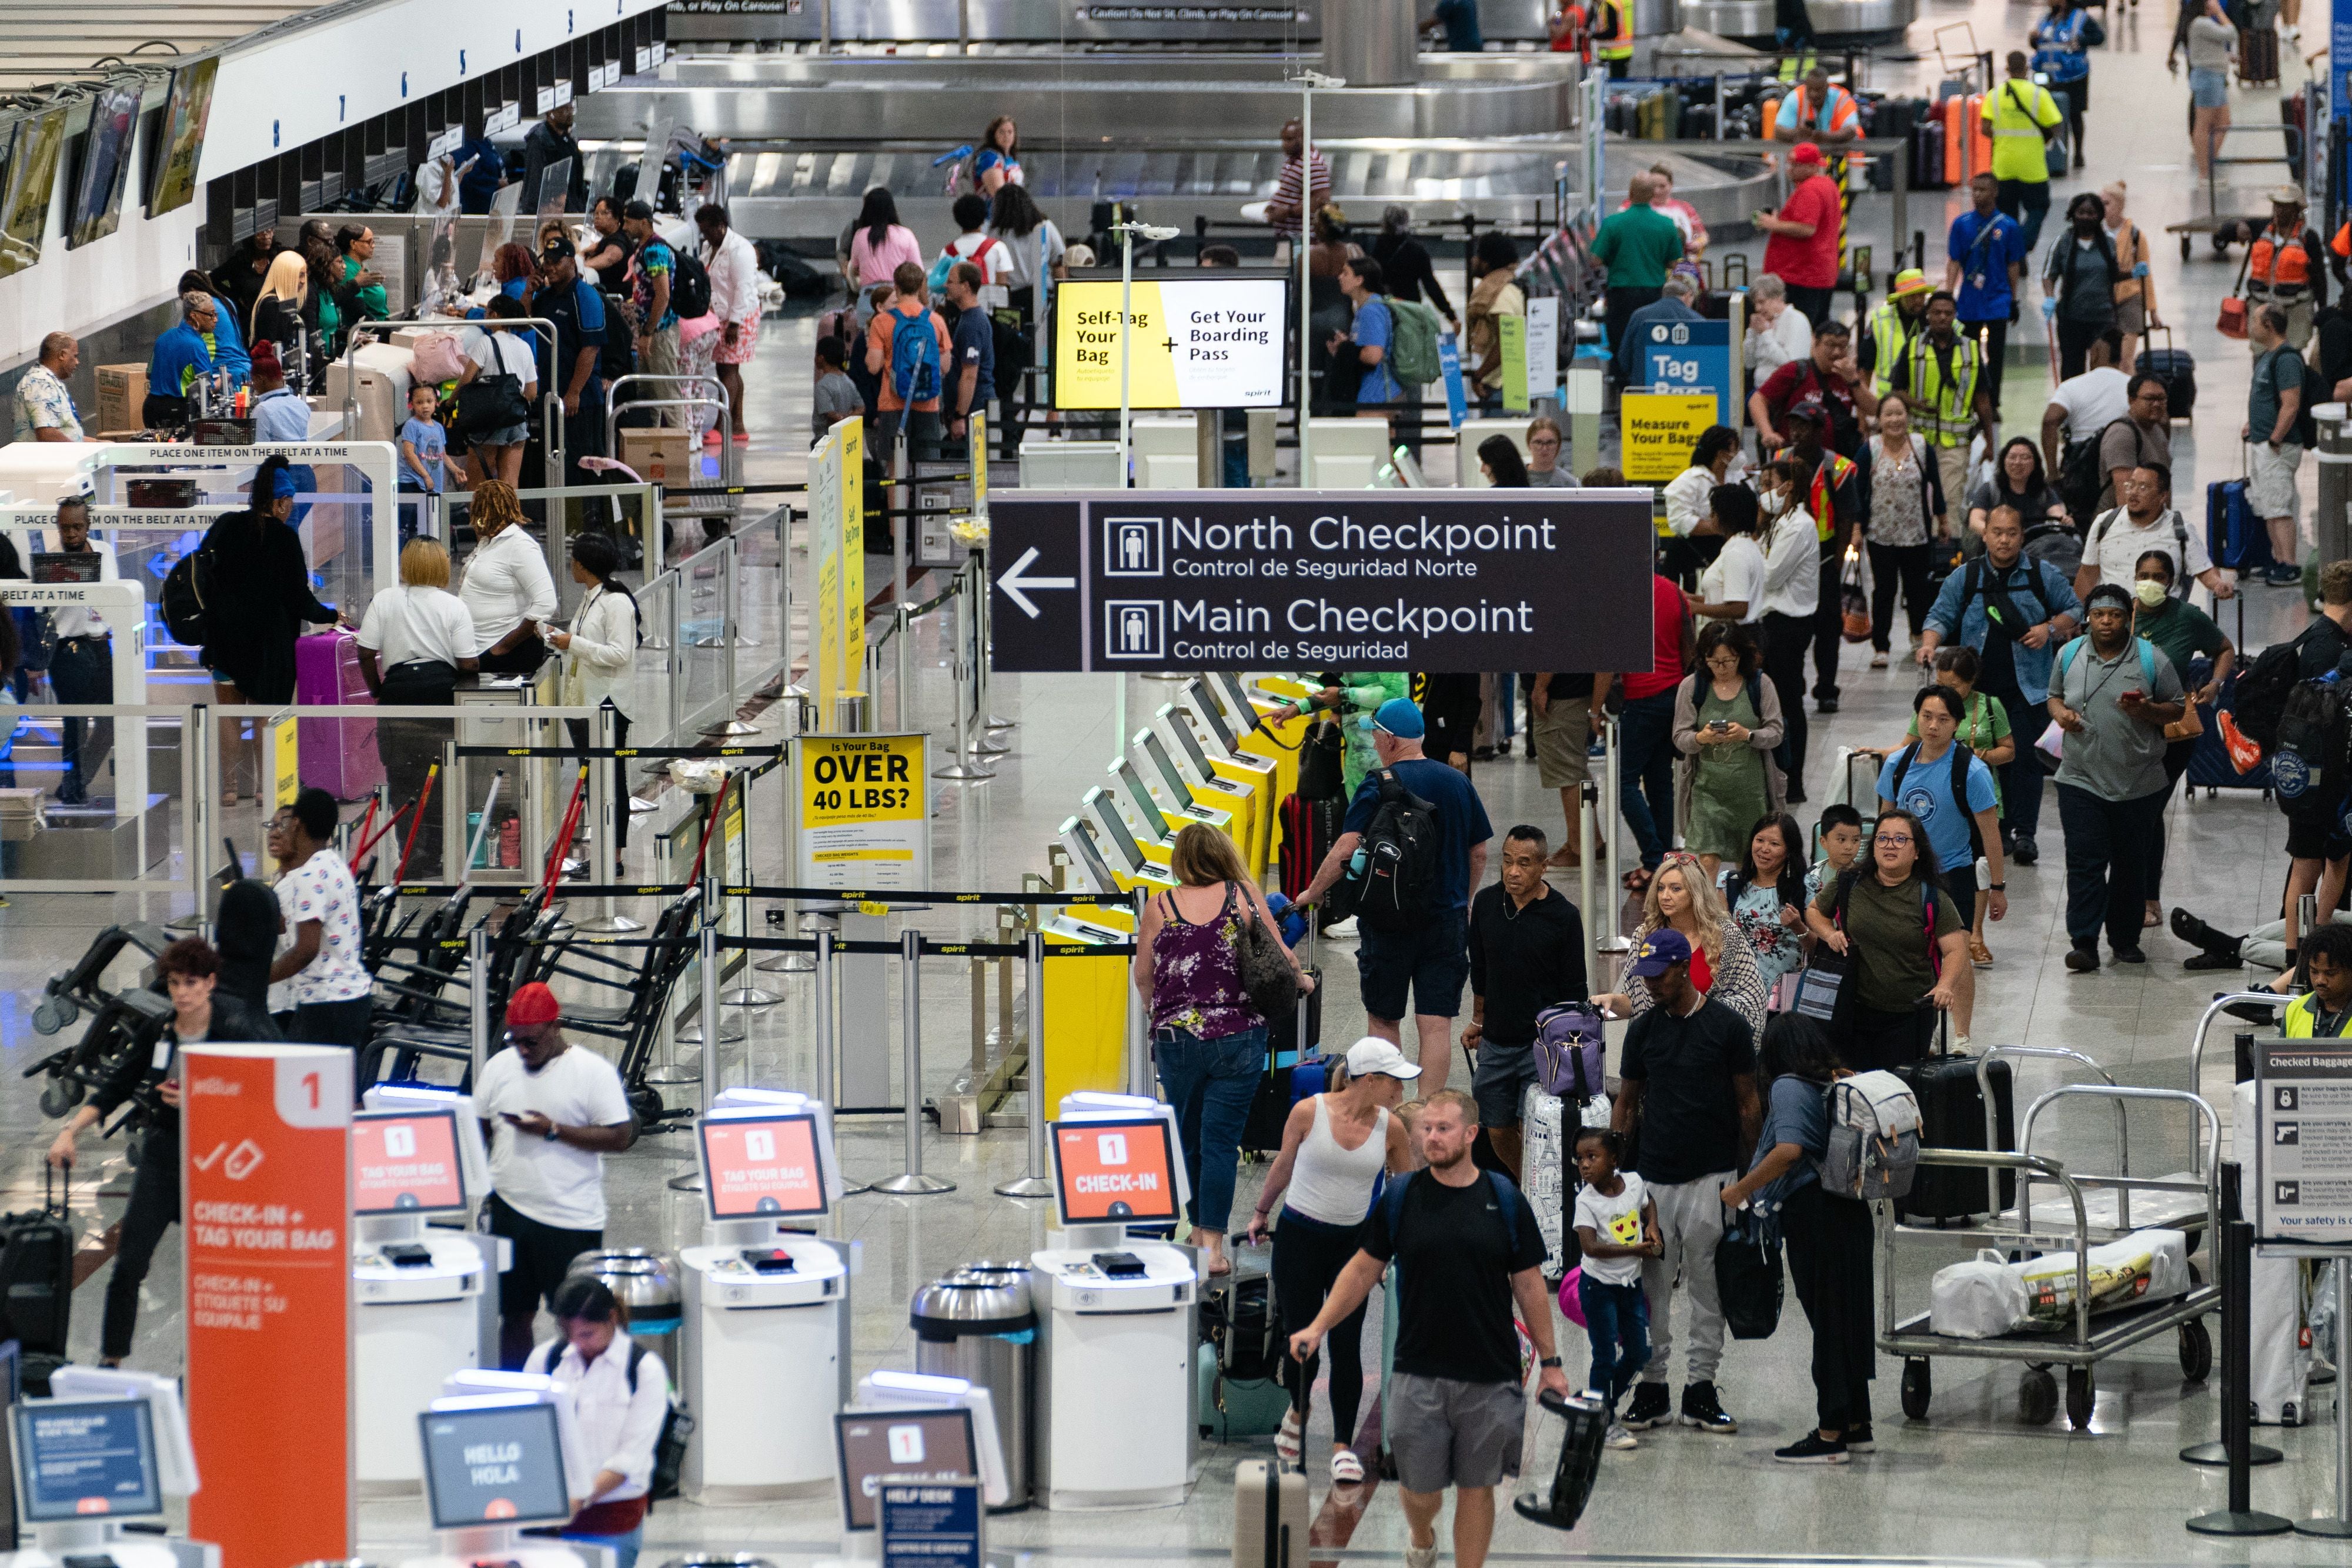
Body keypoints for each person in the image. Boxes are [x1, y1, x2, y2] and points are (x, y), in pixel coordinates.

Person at [1287, 1090, 1566, 1568]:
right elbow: (1358, 1271)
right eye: (1427, 1128)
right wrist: (1317, 1326)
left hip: (1490, 1371)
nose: (1432, 1137)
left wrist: (1553, 1362)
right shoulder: (1400, 1199)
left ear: (1472, 1133)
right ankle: (1421, 1534)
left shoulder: (1504, 1199)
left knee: (1479, 1488)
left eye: (1444, 1128)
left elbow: (1530, 1286)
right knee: (1421, 1491)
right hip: (1417, 1372)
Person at [47, 937, 277, 1367]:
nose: (182, 993)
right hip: (165, 1154)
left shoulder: (237, 1031)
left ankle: (220, 1357)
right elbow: (116, 1086)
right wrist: (70, 1130)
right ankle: (111, 1358)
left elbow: (262, 1098)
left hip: (220, 1160)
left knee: (222, 1270)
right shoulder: (161, 1030)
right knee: (130, 1262)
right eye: (174, 983)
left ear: (210, 983)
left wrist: (202, 1099)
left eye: (191, 983)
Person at [1602, 926, 1759, 1435]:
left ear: (1682, 969)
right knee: (1650, 1288)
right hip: (1651, 1181)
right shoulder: (1644, 1030)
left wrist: (1750, 1177)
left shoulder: (1728, 1027)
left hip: (1713, 1178)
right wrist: (1615, 1170)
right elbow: (1626, 1100)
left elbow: (1748, 1104)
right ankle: (1652, 1387)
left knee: (1707, 1285)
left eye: (1657, 974)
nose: (1648, 984)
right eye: (1642, 974)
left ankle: (1701, 1388)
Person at [1136, 823, 1307, 1275]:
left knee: (1189, 1137)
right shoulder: (1243, 895)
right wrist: (1302, 980)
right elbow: (1282, 957)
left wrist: (1163, 1015)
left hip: (1176, 1041)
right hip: (1237, 1037)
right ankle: (1211, 1244)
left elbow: (1143, 974)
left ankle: (1196, 1231)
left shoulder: (1160, 904)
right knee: (1220, 1142)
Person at [1299, 699, 1494, 1091]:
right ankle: (1426, 1118)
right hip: (1446, 921)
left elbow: (1346, 849)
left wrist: (1313, 892)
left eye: (1375, 735)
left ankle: (1390, 1114)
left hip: (1387, 922)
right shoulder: (1458, 782)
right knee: (1436, 1025)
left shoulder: (1379, 784)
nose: (1373, 741)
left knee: (1384, 1019)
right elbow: (1480, 851)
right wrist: (1465, 898)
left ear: (1389, 739)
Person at [1247, 1036, 1415, 1479]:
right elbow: (1283, 1166)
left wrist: (1401, 1244)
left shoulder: (1391, 1129)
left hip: (1352, 1249)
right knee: (1302, 1341)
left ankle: (1343, 1444)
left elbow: (1405, 1192)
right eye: (1395, 1081)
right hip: (1299, 1240)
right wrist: (1262, 1211)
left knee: (1346, 1344)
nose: (1402, 1091)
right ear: (1372, 1079)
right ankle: (1299, 1409)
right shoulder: (1309, 1113)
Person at [1718, 1014, 1875, 1463]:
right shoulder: (1836, 1081)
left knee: (1826, 1321)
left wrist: (1741, 1189)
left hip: (1815, 1214)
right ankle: (1857, 1423)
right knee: (1847, 1317)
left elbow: (1790, 1150)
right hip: (1851, 1210)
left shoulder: (1788, 1086)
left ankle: (1829, 1433)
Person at [474, 980, 639, 1368]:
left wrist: (553, 1130)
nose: (522, 1049)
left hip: (569, 1218)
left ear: (555, 1026)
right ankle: (519, 1395)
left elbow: (619, 1135)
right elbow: (479, 1124)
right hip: (510, 1211)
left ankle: (581, 1394)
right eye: (516, 1040)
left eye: (531, 1041)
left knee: (579, 1321)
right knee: (514, 1315)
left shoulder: (592, 1072)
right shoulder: (500, 1066)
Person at [1917, 506, 2082, 864]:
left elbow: (2074, 608)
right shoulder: (1967, 576)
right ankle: (1996, 830)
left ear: (2022, 536)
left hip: (2029, 689)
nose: (2004, 540)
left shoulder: (2042, 574)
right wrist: (1930, 643)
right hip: (1975, 693)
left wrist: (2048, 629)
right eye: (1997, 533)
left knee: (2024, 759)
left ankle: (2025, 834)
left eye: (2012, 533)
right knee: (1982, 760)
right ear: (1986, 535)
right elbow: (1940, 614)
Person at [2049, 583, 2187, 971]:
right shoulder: (2069, 653)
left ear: (2128, 618)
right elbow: (2054, 695)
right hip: (2080, 779)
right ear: (2088, 618)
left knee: (2131, 864)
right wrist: (2060, 713)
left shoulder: (2151, 659)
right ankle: (2085, 943)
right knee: (2085, 861)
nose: (2106, 621)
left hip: (2138, 783)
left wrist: (2146, 710)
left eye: (2114, 615)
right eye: (2098, 614)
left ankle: (2125, 940)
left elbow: (2177, 709)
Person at [199, 456, 340, 800]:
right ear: (279, 502)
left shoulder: (225, 527)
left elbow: (202, 576)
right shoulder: (285, 540)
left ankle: (229, 791)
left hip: (225, 642)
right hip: (270, 649)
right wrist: (331, 616)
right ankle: (265, 791)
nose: (291, 509)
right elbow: (299, 599)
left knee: (229, 717)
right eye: (290, 502)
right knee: (264, 717)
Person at [1875, 687, 2003, 1042]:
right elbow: (1885, 823)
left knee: (1957, 955)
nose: (1933, 726)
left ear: (1957, 724)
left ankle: (1961, 1036)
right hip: (1906, 876)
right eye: (1927, 716)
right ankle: (1921, 1031)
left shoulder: (1972, 772)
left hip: (1953, 875)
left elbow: (1991, 835)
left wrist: (1998, 887)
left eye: (1943, 719)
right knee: (1912, 955)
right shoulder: (1897, 764)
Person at [1464, 825, 1588, 1176]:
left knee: (1533, 1125)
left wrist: (1569, 1049)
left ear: (1544, 866)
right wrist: (1478, 1021)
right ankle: (1526, 1184)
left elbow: (1575, 989)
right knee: (1497, 1125)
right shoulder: (1487, 904)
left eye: (1524, 863)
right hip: (1496, 1044)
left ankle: (1541, 1193)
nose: (1513, 871)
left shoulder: (1563, 917)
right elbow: (1481, 970)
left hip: (1541, 1047)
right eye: (1507, 861)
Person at [1804, 806, 1967, 1068]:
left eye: (1901, 839)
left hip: (1909, 1016)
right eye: (1882, 838)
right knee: (1855, 1089)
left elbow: (1956, 949)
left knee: (1896, 1095)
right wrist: (1829, 933)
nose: (1890, 846)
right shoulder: (1851, 881)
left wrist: (1946, 985)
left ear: (1916, 852)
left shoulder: (1932, 897)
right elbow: (1814, 911)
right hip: (1852, 1010)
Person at [523, 1276, 669, 1568]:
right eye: (569, 1333)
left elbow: (630, 1457)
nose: (577, 1344)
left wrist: (579, 1500)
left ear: (612, 1319)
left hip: (613, 1517)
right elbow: (528, 1432)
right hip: (552, 1517)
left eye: (587, 1334)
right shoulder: (546, 1359)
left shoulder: (644, 1370)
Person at [356, 538, 477, 878]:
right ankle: (435, 852)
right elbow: (469, 663)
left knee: (401, 778)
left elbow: (365, 652)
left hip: (397, 696)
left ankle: (409, 852)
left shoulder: (385, 600)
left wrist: (378, 689)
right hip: (440, 696)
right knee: (440, 776)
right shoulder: (454, 606)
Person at [2130, 550, 2232, 921]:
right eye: (2144, 575)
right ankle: (2128, 887)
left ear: (2172, 582)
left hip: (2173, 731)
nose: (2151, 582)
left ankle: (2147, 896)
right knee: (2129, 810)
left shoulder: (2186, 616)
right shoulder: (2121, 616)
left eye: (2159, 576)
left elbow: (2224, 649)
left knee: (2151, 808)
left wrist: (2216, 683)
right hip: (2127, 730)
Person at [1906, 647, 2015, 967]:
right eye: (1942, 682)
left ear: (1971, 682)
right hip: (1941, 798)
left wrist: (1983, 757)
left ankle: (1975, 935)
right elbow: (1908, 746)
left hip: (1979, 796)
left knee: (1978, 868)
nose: (1946, 691)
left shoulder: (1990, 706)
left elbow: (2008, 750)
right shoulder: (1930, 707)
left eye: (1954, 685)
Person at [1596, 851, 1772, 1039]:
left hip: (1713, 1047)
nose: (1665, 896)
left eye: (1676, 889)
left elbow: (1752, 1000)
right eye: (1661, 888)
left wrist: (1699, 1013)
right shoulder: (1644, 935)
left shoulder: (1727, 935)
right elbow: (1636, 1002)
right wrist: (1612, 1000)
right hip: (1661, 1047)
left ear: (1696, 893)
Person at [1673, 621, 1789, 882]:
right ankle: (1704, 918)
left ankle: (1745, 917)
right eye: (1714, 662)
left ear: (1741, 656)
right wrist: (1701, 738)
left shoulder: (1761, 684)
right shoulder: (1692, 687)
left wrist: (1748, 735)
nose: (1722, 668)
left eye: (1729, 661)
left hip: (1751, 792)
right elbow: (1680, 738)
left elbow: (1776, 731)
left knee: (1751, 862)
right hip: (1706, 791)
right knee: (1705, 860)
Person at [1571, 1128, 1662, 1450]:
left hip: (1630, 1286)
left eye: (1592, 1157)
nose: (1584, 1164)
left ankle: (1595, 1401)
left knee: (1640, 1351)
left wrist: (1651, 1225)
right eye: (1579, 1158)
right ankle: (1603, 1421)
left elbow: (1648, 1201)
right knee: (1605, 1355)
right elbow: (1591, 1248)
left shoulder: (1634, 1182)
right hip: (1598, 1288)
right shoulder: (1586, 1201)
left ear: (1613, 1160)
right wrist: (1637, 1250)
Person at [552, 533, 641, 848]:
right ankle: (601, 850)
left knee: (611, 780)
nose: (570, 565)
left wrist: (572, 643)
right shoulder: (591, 597)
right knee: (591, 779)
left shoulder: (616, 602)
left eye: (573, 560)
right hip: (583, 699)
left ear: (582, 565)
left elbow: (620, 654)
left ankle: (613, 854)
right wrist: (559, 640)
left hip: (607, 704)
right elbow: (585, 644)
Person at [266, 788, 373, 1048]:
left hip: (326, 1004)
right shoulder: (335, 865)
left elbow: (306, 950)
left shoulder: (309, 877)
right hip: (351, 998)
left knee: (291, 1081)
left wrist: (257, 978)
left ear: (297, 824)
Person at [1783, 400, 1862, 726]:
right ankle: (1793, 682)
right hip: (1788, 556)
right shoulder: (1780, 461)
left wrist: (1836, 562)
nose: (1796, 432)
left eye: (1803, 426)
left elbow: (1846, 516)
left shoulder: (1838, 468)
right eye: (1793, 426)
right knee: (1790, 625)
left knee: (1827, 627)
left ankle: (1827, 689)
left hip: (1824, 555)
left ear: (1819, 431)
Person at [1620, 567, 1697, 894]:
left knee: (1623, 782)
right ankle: (1664, 860)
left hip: (1640, 696)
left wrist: (1596, 710)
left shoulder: (1623, 594)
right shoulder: (1675, 592)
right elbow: (1689, 642)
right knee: (1659, 780)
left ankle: (1654, 858)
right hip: (1673, 694)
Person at [1857, 392, 1946, 668]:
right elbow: (1859, 493)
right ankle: (1881, 646)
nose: (1895, 419)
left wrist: (1943, 520)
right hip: (1880, 534)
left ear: (1908, 417)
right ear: (1879, 419)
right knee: (1884, 589)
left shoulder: (1921, 446)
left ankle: (1919, 637)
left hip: (1916, 533)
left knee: (1917, 588)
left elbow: (1936, 485)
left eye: (1900, 413)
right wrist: (1857, 530)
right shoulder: (1869, 449)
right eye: (1889, 414)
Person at [42, 496, 120, 807]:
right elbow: (45, 613)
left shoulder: (105, 552)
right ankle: (74, 791)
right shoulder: (50, 560)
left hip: (102, 646)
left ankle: (74, 783)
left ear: (88, 526)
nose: (71, 534)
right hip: (66, 649)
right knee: (74, 724)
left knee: (109, 723)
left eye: (77, 527)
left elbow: (114, 596)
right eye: (65, 528)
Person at [1887, 292, 1992, 517]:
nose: (1942, 317)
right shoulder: (1913, 348)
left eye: (1948, 313)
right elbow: (1896, 389)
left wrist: (1990, 443)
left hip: (1956, 443)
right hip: (1918, 440)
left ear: (1955, 316)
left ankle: (1947, 550)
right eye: (1937, 312)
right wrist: (1917, 404)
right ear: (1928, 315)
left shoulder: (1971, 350)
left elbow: (1982, 400)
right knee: (1913, 497)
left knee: (1950, 499)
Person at [1755, 457, 1823, 787]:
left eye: (1769, 485)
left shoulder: (1799, 525)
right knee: (1771, 700)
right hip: (1770, 621)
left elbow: (1768, 576)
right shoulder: (1775, 523)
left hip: (1788, 624)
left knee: (1788, 700)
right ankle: (1775, 772)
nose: (1764, 493)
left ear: (1789, 486)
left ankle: (1793, 778)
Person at [2077, 463, 2236, 603]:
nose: (2133, 493)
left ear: (2163, 496)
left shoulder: (2180, 530)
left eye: (2143, 488)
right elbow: (2087, 575)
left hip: (2164, 619)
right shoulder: (2105, 523)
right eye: (2130, 485)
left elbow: (2203, 569)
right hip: (2115, 619)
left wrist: (2218, 584)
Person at [988, 183, 1068, 454]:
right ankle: (1050, 419)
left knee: (1011, 366)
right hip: (1042, 300)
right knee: (1045, 361)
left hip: (1010, 304)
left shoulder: (997, 233)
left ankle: (1010, 427)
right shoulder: (1045, 226)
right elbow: (1060, 263)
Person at [2245, 304, 2318, 584]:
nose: (2250, 326)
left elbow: (2291, 405)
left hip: (2278, 445)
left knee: (2279, 505)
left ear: (2268, 325)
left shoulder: (2287, 359)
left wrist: (2275, 438)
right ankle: (2277, 559)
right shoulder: (2267, 356)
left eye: (2254, 320)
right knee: (2266, 504)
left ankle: (2289, 564)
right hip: (2263, 442)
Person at [459, 479, 559, 676]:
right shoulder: (489, 542)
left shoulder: (520, 546)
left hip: (506, 651)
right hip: (480, 648)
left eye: (478, 511)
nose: (475, 518)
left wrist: (504, 646)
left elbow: (546, 603)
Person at [1946, 172, 2028, 410]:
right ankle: (1970, 400)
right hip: (1969, 301)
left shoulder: (2009, 226)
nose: (1977, 194)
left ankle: (1993, 403)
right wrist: (1948, 294)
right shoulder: (1961, 225)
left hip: (1998, 300)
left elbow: (2013, 264)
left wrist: (2013, 299)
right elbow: (1954, 261)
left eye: (1983, 190)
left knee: (1996, 355)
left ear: (1995, 193)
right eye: (1974, 190)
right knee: (1968, 356)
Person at [1591, 173, 1685, 376]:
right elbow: (1673, 262)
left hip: (1621, 296)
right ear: (1653, 194)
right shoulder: (1666, 225)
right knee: (1651, 345)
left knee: (1621, 345)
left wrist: (1614, 259)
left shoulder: (1613, 223)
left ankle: (1624, 393)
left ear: (1630, 193)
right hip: (1654, 295)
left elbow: (1595, 260)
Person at [536, 239, 610, 483]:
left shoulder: (585, 296)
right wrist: (529, 291)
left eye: (556, 262)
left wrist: (574, 392)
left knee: (584, 462)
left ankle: (591, 516)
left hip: (580, 399)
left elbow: (590, 348)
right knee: (555, 460)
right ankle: (559, 516)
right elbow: (519, 321)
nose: (550, 267)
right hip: (551, 396)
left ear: (571, 262)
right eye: (547, 262)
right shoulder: (546, 297)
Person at [867, 262, 954, 460]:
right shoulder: (936, 320)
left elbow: (873, 367)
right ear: (921, 286)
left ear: (896, 287)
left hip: (893, 403)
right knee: (927, 470)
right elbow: (945, 366)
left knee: (895, 471)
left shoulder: (882, 321)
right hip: (928, 402)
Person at [1720, 812, 1810, 998]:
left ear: (1789, 852)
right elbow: (1719, 939)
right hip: (1738, 993)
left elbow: (1818, 949)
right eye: (1760, 840)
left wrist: (1798, 927)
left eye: (1775, 844)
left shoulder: (1805, 887)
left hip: (1784, 996)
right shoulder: (1731, 883)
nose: (1764, 849)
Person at [2040, 329, 2130, 512]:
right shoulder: (2133, 387)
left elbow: (2050, 421)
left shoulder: (2072, 386)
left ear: (2095, 352)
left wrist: (2053, 474)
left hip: (2081, 468)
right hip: (2124, 463)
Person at [2231, 188, 2330, 356]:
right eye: (2277, 205)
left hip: (2295, 308)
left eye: (2285, 207)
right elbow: (2226, 230)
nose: (2279, 211)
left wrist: (2322, 310)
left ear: (2297, 210)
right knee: (2261, 356)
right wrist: (2240, 226)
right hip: (2262, 306)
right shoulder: (2261, 229)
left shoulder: (2309, 238)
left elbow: (2319, 277)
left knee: (2291, 355)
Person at [1754, 143, 1843, 326]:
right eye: (1790, 164)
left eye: (1795, 165)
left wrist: (1774, 224)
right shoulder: (1828, 185)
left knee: (1798, 329)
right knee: (1817, 329)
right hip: (1820, 274)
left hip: (1802, 275)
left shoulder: (1810, 190)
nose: (1790, 170)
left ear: (1812, 166)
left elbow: (1807, 228)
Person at [1985, 52, 2064, 253]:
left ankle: (2016, 259)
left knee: (2008, 215)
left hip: (2003, 165)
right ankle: (2022, 244)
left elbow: (1985, 128)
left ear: (2007, 69)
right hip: (2032, 166)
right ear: (2027, 69)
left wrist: (2003, 137)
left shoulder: (1994, 95)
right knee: (2039, 207)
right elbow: (2056, 124)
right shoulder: (2038, 94)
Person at [460, 297, 542, 489]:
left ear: (494, 315)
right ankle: (510, 518)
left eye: (486, 313)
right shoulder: (525, 347)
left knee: (478, 486)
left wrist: (449, 403)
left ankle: (480, 519)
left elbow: (466, 380)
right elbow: (532, 392)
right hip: (516, 422)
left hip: (488, 422)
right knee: (510, 485)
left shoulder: (485, 342)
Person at [696, 204, 760, 444]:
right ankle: (738, 425)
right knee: (728, 369)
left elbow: (744, 288)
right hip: (719, 316)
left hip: (740, 317)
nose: (705, 236)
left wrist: (735, 323)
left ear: (721, 226)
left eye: (707, 231)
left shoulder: (740, 249)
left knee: (729, 370)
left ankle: (722, 427)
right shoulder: (709, 247)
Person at [1750, 319, 1862, 457]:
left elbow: (1874, 409)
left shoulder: (1847, 375)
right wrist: (1767, 433)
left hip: (1837, 461)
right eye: (1830, 345)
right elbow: (1757, 400)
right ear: (1815, 343)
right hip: (1794, 458)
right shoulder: (1795, 370)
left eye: (1843, 346)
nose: (1836, 352)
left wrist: (1854, 381)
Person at [2042, 194, 2120, 381]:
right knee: (2072, 371)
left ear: (2100, 216)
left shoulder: (2109, 242)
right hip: (2072, 319)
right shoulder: (2062, 243)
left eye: (2091, 213)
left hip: (2103, 319)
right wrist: (2050, 298)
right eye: (2081, 212)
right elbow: (2048, 275)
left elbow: (2116, 275)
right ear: (2073, 215)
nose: (2086, 217)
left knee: (2103, 371)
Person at [621, 202, 681, 427]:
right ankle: (651, 445)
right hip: (649, 330)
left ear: (644, 223)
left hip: (660, 331)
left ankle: (677, 450)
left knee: (667, 392)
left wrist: (648, 332)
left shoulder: (655, 250)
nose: (624, 226)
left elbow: (663, 295)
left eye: (628, 221)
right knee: (649, 393)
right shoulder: (644, 248)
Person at [1661, 426, 1743, 587]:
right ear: (1721, 454)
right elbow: (1680, 523)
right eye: (1735, 450)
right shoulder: (1687, 482)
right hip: (1695, 554)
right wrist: (1725, 527)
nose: (1739, 456)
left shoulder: (1738, 477)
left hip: (1732, 549)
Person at [1332, 255, 1402, 419]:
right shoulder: (1365, 309)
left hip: (1377, 394)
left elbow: (1373, 355)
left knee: (1368, 443)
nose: (1340, 277)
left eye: (1345, 273)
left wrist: (1346, 348)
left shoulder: (1371, 311)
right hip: (1378, 391)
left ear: (1359, 280)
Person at [1688, 480, 1767, 625]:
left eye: (1714, 512)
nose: (1710, 517)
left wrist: (1695, 608)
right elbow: (1722, 598)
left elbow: (1739, 608)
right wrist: (1690, 598)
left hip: (1733, 637)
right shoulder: (1744, 546)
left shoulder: (1737, 553)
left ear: (1726, 516)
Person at [1464, 232, 1525, 412]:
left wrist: (1478, 376)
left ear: (1487, 262)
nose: (1474, 260)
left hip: (1502, 388)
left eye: (1478, 255)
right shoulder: (1512, 287)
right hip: (1511, 384)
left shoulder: (1499, 296)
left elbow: (1507, 345)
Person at [2176, 0, 2237, 179]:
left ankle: (2209, 160)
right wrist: (2220, 13)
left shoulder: (2204, 24)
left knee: (2224, 122)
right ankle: (2204, 171)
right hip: (2207, 78)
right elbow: (2231, 33)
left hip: (2215, 76)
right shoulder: (2200, 23)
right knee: (2204, 124)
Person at [1370, 206, 1458, 329]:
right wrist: (1450, 315)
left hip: (1382, 309)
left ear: (1384, 223)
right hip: (1411, 309)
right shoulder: (1416, 250)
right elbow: (1431, 285)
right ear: (1406, 223)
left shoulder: (1374, 248)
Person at [2030, 0, 2092, 167]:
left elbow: (2099, 37)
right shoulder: (2045, 19)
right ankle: (2049, 153)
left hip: (2073, 76)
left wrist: (2082, 41)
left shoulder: (2080, 18)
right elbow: (2039, 45)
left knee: (2074, 115)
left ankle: (2078, 154)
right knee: (2044, 115)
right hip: (2048, 75)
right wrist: (2033, 39)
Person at [2103, 183, 2159, 372]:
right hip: (2104, 302)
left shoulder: (2136, 236)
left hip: (2131, 300)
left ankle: (2131, 397)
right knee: (2106, 361)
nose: (2102, 208)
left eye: (2107, 203)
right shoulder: (2097, 235)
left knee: (2125, 361)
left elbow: (2146, 275)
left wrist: (2152, 310)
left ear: (2119, 206)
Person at [943, 261, 997, 454]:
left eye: (950, 282)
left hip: (974, 412)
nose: (946, 286)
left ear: (965, 286)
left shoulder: (972, 324)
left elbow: (969, 375)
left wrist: (960, 416)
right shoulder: (967, 319)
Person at [1966, 437, 2069, 538]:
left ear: (2035, 463)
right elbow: (1975, 520)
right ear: (2003, 461)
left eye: (2025, 458)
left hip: (2035, 546)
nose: (2018, 462)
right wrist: (1998, 535)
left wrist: (2064, 520)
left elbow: (2056, 513)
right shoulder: (1991, 489)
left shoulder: (2044, 491)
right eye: (2012, 457)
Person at [1616, 275, 1704, 393]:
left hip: (1642, 395)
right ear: (1688, 295)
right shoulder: (1698, 321)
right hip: (1684, 397)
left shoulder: (1639, 316)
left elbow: (1624, 358)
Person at [146, 290, 221, 426]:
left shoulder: (164, 337)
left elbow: (149, 374)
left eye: (215, 314)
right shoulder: (196, 345)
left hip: (151, 408)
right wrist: (224, 379)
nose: (215, 319)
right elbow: (207, 388)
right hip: (175, 413)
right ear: (194, 316)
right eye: (210, 315)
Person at [1858, 269, 1932, 403]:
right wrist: (1862, 421)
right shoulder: (1880, 321)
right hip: (1891, 405)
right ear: (1900, 298)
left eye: (1921, 295)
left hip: (1926, 404)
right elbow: (1865, 372)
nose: (1918, 300)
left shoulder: (1934, 319)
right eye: (1911, 296)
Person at [1265, 119, 1334, 241]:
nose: (1284, 144)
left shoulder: (1311, 163)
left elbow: (1321, 199)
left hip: (1303, 237)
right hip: (1288, 234)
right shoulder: (1292, 161)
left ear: (1303, 138)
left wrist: (1289, 211)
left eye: (1289, 140)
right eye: (1283, 140)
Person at [1745, 274, 1815, 391]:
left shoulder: (1796, 319)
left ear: (1778, 298)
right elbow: (1749, 363)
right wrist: (1752, 332)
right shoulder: (1764, 322)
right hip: (1760, 390)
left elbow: (1791, 367)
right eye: (1755, 304)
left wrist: (1766, 335)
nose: (1757, 308)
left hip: (1787, 392)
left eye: (1762, 302)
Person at [14, 332, 83, 442]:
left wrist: (99, 444)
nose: (77, 362)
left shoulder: (51, 382)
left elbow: (71, 436)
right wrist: (80, 452)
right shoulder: (38, 383)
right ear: (62, 355)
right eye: (74, 356)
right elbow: (47, 435)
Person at [248, 250, 309, 371]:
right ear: (286, 276)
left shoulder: (280, 305)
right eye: (300, 275)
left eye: (304, 275)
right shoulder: (271, 306)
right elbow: (271, 351)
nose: (303, 281)